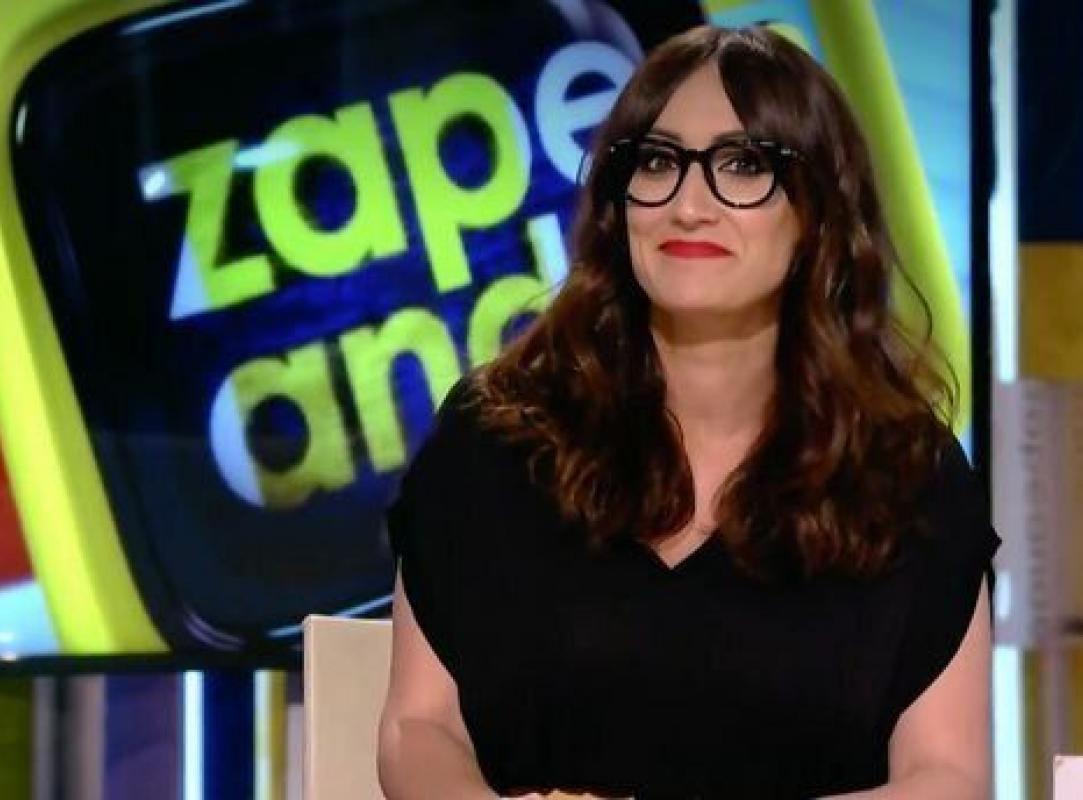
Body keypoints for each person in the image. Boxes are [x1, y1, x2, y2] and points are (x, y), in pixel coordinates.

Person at [377, 24, 1000, 800]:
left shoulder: (908, 477)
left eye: (744, 165)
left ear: (818, 213)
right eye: (658, 162)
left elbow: (947, 777)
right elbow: (418, 726)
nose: (688, 205)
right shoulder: (494, 440)